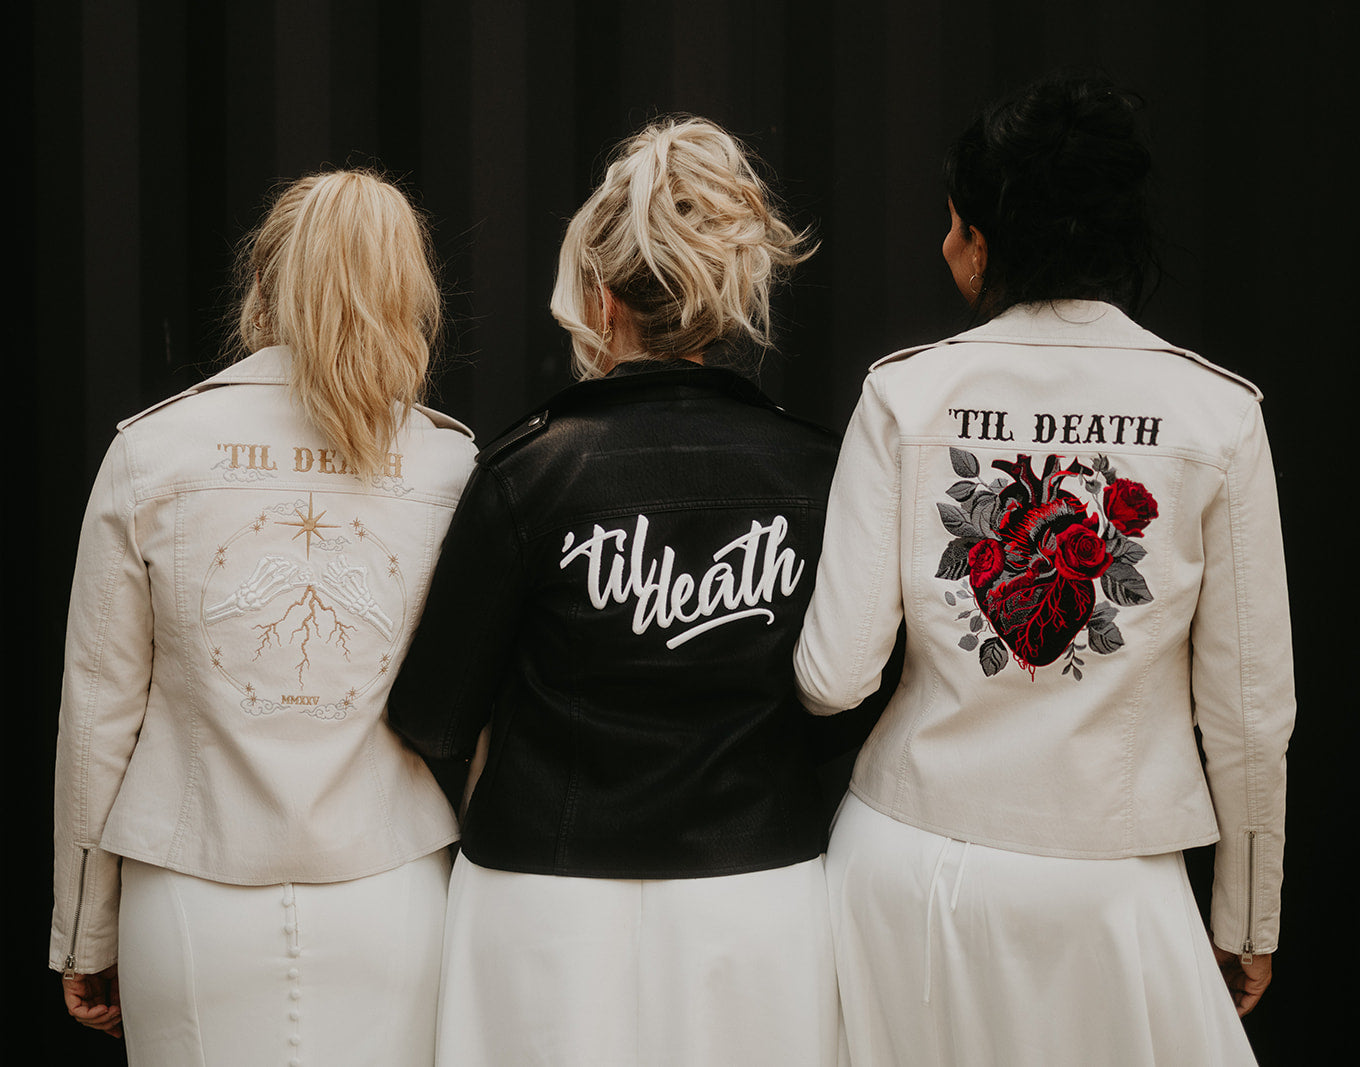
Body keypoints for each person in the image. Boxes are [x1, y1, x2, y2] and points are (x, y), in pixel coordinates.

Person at [793, 72, 1296, 1065]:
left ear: (983, 238)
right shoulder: (1216, 414)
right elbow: (1248, 710)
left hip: (906, 865)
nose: (945, 245)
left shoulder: (905, 395)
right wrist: (1247, 912)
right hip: (1109, 885)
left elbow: (833, 676)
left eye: (952, 223)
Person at [387, 117, 846, 1066]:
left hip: (545, 910)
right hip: (755, 899)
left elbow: (432, 715)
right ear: (720, 308)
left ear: (601, 299)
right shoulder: (817, 470)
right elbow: (851, 695)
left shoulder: (529, 470)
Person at [48, 169, 476, 1065]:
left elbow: (99, 716)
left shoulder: (153, 450)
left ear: (262, 284)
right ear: (411, 292)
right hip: (392, 894)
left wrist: (85, 932)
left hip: (192, 899)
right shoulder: (450, 466)